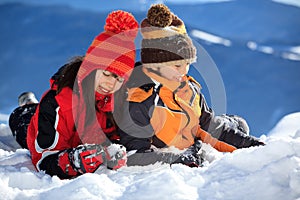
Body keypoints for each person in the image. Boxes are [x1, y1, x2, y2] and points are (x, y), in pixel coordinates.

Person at [115, 4, 264, 167]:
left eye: (187, 64)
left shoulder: (189, 88)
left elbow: (210, 127)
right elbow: (135, 154)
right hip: (170, 157)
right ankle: (232, 123)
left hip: (192, 144)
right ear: (154, 64)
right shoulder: (140, 99)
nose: (184, 71)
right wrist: (178, 160)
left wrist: (255, 147)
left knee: (235, 127)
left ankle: (232, 123)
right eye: (177, 65)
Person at [26, 10, 139, 179]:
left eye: (119, 79)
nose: (111, 84)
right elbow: (42, 158)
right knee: (24, 119)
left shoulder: (116, 102)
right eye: (106, 74)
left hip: (76, 140)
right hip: (39, 126)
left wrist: (113, 151)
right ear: (91, 67)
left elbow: (117, 137)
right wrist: (71, 162)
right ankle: (27, 104)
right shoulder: (57, 102)